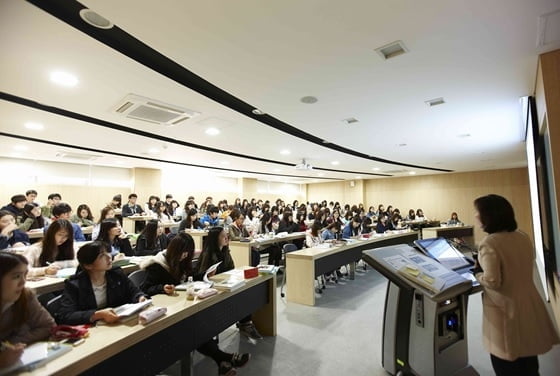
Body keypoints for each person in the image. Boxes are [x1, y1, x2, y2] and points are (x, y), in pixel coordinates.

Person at [140, 233, 250, 375]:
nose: (185, 256)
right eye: (183, 252)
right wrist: (162, 288)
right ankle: (223, 358)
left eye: (188, 253)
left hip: (180, 305)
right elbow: (144, 290)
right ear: (175, 250)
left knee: (197, 325)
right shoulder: (157, 265)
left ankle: (222, 361)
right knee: (194, 328)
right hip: (164, 312)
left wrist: (205, 275)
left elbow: (187, 279)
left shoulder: (180, 261)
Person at [472, 194, 559, 376]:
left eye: (478, 212)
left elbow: (493, 281)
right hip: (528, 305)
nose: (475, 216)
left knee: (507, 363)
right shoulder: (522, 236)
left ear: (489, 215)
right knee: (528, 362)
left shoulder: (489, 243)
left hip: (505, 311)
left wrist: (477, 274)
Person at [57, 241, 148, 325]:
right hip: (92, 329)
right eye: (101, 256)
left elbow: (134, 291)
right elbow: (65, 315)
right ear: (88, 265)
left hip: (116, 323)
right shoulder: (75, 284)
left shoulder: (116, 274)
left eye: (108, 252)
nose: (109, 257)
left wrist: (140, 297)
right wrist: (97, 315)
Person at [196, 227, 262, 340]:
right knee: (240, 296)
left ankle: (246, 323)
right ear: (215, 239)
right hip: (212, 288)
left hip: (225, 283)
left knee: (245, 292)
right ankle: (245, 324)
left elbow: (231, 267)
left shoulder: (225, 251)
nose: (226, 238)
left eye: (226, 235)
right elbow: (202, 276)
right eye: (223, 236)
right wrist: (210, 275)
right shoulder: (208, 253)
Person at [0, 253, 55, 369]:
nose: (23, 282)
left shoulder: (25, 296)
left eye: (25, 275)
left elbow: (48, 326)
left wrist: (12, 343)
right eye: (16, 276)